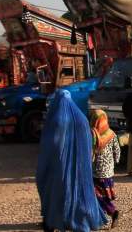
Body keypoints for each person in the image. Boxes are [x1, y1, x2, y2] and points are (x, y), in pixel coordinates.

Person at [36, 90, 107, 232]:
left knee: (57, 191)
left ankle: (54, 221)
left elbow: (50, 145)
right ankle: (80, 219)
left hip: (58, 167)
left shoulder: (55, 119)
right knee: (80, 191)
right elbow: (88, 143)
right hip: (81, 166)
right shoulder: (81, 118)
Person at [89, 109, 121, 229]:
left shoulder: (92, 134)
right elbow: (117, 151)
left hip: (97, 172)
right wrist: (114, 163)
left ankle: (112, 212)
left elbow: (89, 152)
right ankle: (101, 217)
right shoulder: (111, 133)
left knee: (97, 195)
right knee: (103, 195)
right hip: (108, 171)